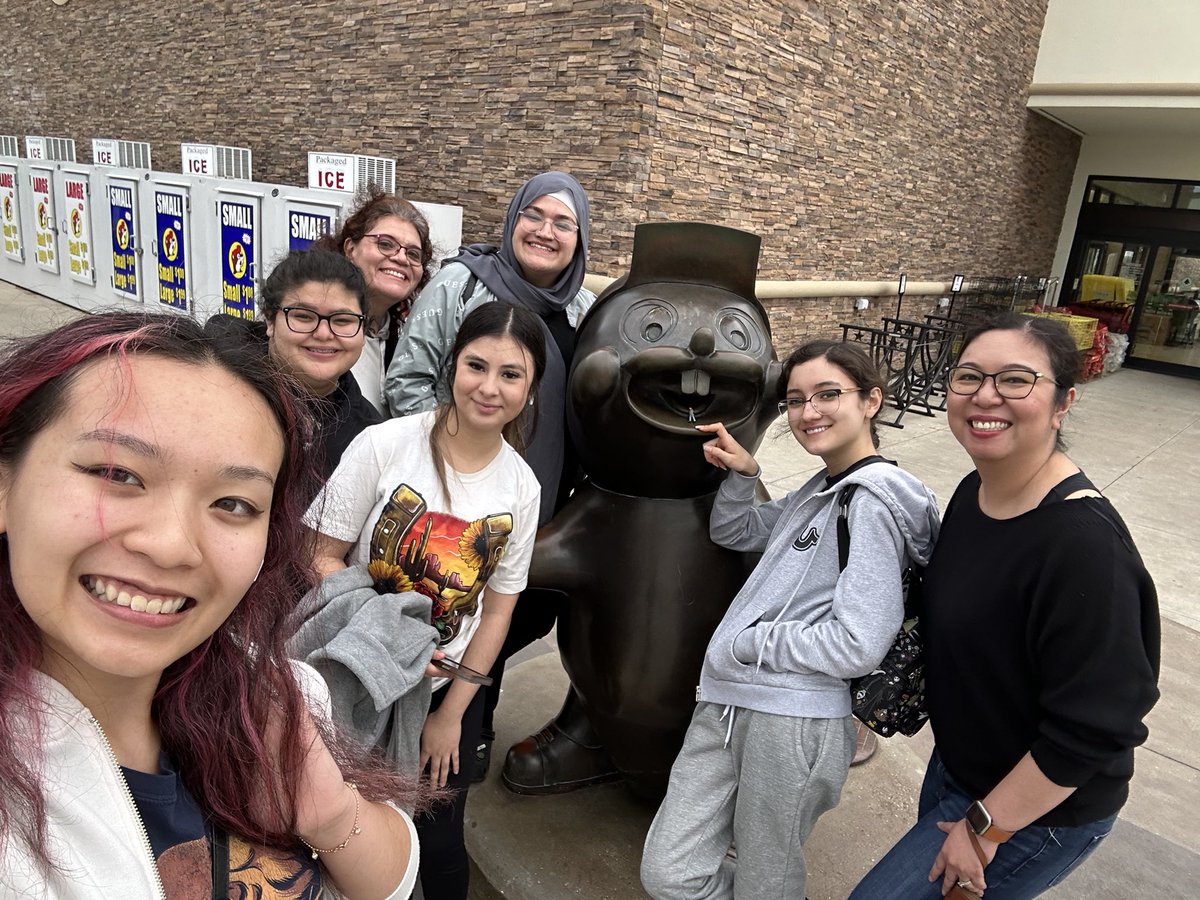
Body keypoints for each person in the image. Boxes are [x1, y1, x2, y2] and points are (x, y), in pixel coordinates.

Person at [0, 313, 424, 898]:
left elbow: (393, 881)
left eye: (233, 503)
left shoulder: (266, 695)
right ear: (6, 486)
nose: (173, 545)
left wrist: (327, 812)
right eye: (117, 473)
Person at [849, 313, 1159, 900]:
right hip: (962, 764)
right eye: (969, 377)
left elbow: (1099, 726)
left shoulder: (1084, 550)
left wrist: (987, 829)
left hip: (1036, 809)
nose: (985, 395)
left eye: (1016, 380)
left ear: (1063, 401)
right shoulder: (976, 491)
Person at [640, 339, 940, 900]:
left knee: (765, 882)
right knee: (671, 873)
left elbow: (858, 642)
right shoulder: (820, 490)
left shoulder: (872, 503)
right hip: (729, 704)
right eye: (797, 399)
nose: (809, 412)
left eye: (829, 394)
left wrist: (754, 643)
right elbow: (736, 531)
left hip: (793, 721)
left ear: (872, 400)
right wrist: (744, 472)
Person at [308, 302, 544, 900]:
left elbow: (497, 611)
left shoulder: (521, 487)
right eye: (476, 366)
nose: (489, 388)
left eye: (511, 374)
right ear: (452, 364)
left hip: (442, 693)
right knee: (340, 832)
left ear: (533, 384)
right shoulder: (386, 444)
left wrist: (451, 713)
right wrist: (385, 636)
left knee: (437, 845)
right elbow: (319, 554)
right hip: (354, 679)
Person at [385, 170, 594, 785]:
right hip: (456, 502)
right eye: (535, 214)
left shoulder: (582, 310)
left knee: (513, 614)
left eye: (564, 222)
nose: (546, 231)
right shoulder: (460, 285)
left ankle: (474, 716)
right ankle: (416, 745)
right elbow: (408, 382)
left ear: (580, 239)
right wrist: (459, 468)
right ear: (512, 220)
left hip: (542, 497)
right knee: (447, 617)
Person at [209, 248, 382, 480]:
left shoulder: (371, 438)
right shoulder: (208, 380)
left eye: (342, 321)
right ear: (270, 320)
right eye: (303, 316)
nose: (323, 333)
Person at [316, 188, 435, 412]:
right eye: (386, 244)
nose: (401, 257)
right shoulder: (314, 324)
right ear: (351, 249)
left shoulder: (407, 335)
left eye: (413, 254)